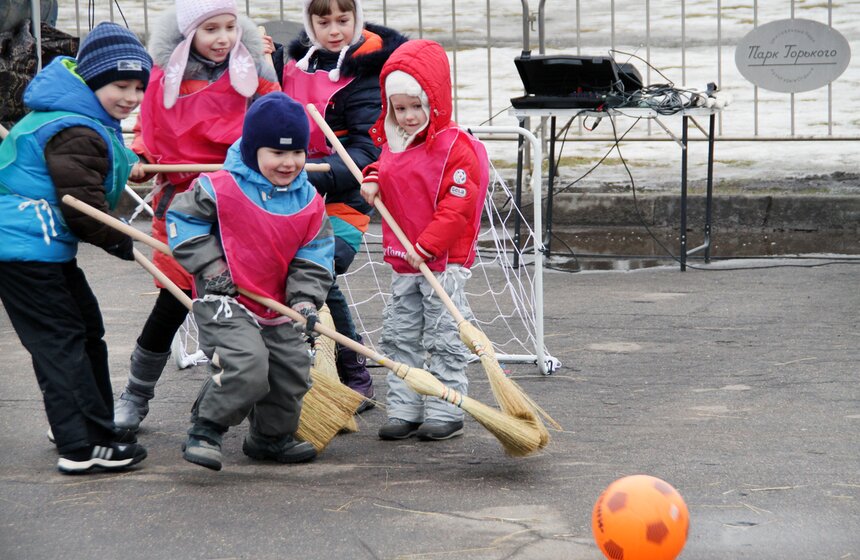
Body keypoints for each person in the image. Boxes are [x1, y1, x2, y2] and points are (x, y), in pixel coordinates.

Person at [114, 0, 282, 435]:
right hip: (182, 200)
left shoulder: (253, 72)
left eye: (230, 26)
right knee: (173, 299)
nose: (223, 38)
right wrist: (141, 156)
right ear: (189, 34)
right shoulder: (163, 77)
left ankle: (237, 406)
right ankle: (135, 394)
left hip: (239, 199)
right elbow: (147, 129)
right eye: (211, 29)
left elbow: (275, 119)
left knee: (244, 302)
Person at [0, 22, 152, 473]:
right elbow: (84, 209)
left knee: (86, 332)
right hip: (26, 250)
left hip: (42, 246)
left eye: (140, 87)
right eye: (120, 85)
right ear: (93, 80)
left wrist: (129, 167)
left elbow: (89, 167)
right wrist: (126, 242)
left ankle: (83, 423)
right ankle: (83, 444)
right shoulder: (74, 127)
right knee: (63, 341)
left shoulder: (76, 114)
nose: (131, 97)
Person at [166, 92, 335, 471]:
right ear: (253, 150)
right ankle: (206, 428)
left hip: (277, 305)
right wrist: (211, 268)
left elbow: (314, 256)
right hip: (226, 300)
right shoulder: (220, 187)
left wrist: (305, 301)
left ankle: (270, 438)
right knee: (247, 365)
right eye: (276, 153)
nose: (289, 163)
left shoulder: (310, 202)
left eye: (297, 153)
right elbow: (182, 223)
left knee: (290, 371)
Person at [279, 0, 407, 412]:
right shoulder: (293, 63)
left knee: (320, 271)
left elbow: (366, 153)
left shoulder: (370, 71)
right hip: (295, 194)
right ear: (309, 22)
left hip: (348, 198)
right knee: (290, 277)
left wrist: (301, 172)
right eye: (323, 20)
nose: (334, 29)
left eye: (343, 19)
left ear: (357, 17)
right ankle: (314, 370)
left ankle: (354, 371)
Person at [359, 39, 490, 441]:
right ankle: (404, 406)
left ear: (434, 100)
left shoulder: (456, 147)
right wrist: (373, 178)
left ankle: (445, 407)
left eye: (417, 106)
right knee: (400, 334)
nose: (409, 116)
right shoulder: (394, 143)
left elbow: (459, 205)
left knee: (443, 336)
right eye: (400, 108)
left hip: (441, 263)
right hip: (405, 261)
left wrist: (429, 245)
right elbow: (386, 171)